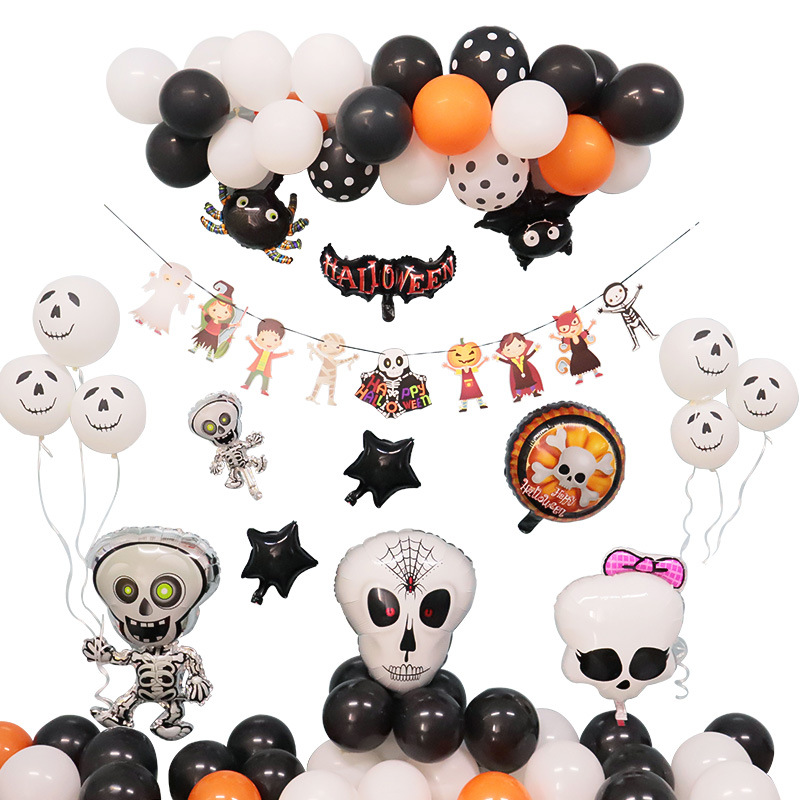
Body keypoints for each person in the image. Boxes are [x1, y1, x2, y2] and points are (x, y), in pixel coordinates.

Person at [242, 318, 293, 396]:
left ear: (279, 343)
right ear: (257, 339)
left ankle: (264, 390)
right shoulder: (260, 352)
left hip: (265, 370)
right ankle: (246, 385)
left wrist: (287, 353)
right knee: (251, 376)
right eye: (263, 339)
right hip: (256, 367)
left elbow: (278, 355)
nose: (269, 342)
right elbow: (255, 347)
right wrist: (250, 340)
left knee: (265, 380)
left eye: (275, 340)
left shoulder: (271, 355)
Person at [494, 332, 543, 401]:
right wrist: (498, 358)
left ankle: (534, 392)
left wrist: (535, 349)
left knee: (530, 382)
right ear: (503, 352)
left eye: (519, 345)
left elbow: (530, 355)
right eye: (508, 349)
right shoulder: (512, 361)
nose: (515, 350)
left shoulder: (524, 358)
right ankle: (518, 396)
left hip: (527, 373)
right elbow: (505, 361)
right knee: (518, 386)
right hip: (517, 376)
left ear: (525, 345)